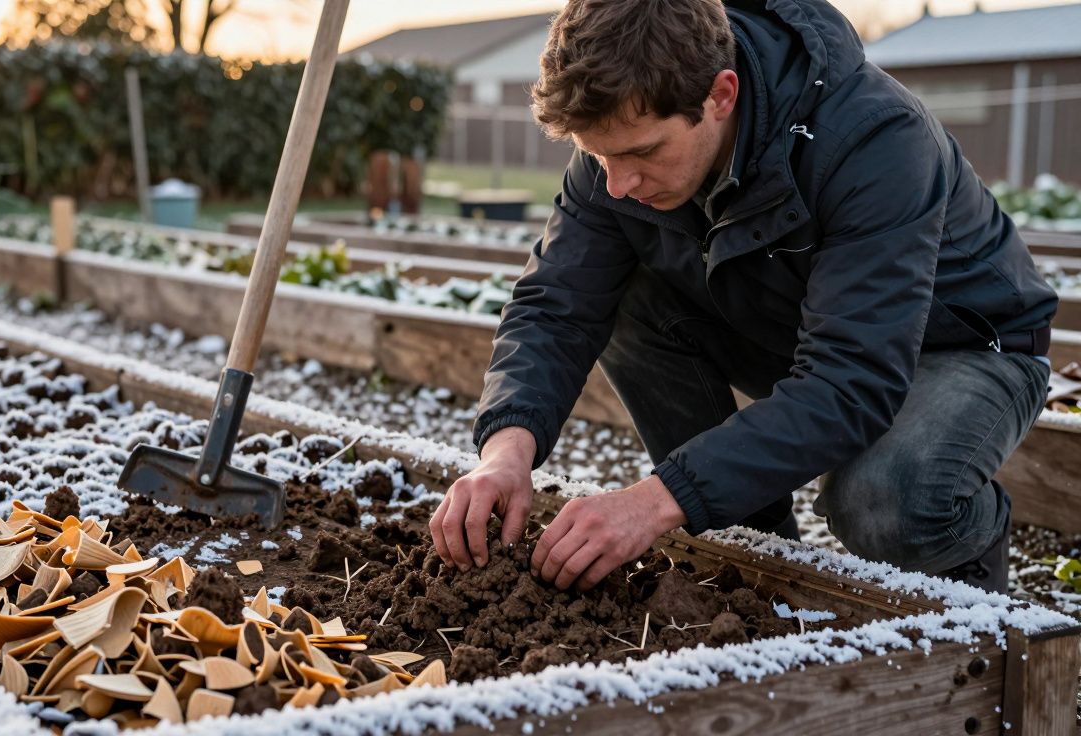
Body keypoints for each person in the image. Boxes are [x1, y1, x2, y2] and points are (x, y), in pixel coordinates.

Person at [429, 0, 1057, 595]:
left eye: (643, 153)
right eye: (599, 157)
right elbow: (555, 304)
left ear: (721, 94)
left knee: (882, 502)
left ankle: (975, 601)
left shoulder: (872, 138)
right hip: (795, 329)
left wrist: (654, 501)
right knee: (623, 297)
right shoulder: (618, 142)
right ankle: (753, 555)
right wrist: (505, 451)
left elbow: (851, 380)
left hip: (961, 344)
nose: (617, 183)